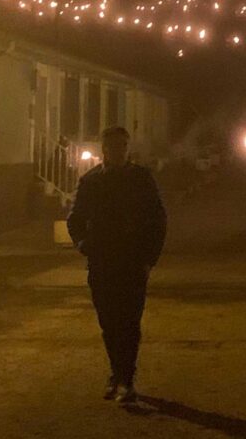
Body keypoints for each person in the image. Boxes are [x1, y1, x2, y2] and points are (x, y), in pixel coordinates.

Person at [67, 126, 167, 404]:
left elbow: (158, 220)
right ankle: (117, 373)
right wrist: (84, 245)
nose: (118, 151)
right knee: (108, 321)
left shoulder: (141, 179)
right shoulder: (91, 181)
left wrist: (149, 258)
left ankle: (127, 378)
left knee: (130, 321)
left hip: (132, 262)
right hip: (102, 262)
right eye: (112, 146)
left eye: (122, 146)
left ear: (128, 148)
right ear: (104, 150)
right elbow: (75, 219)